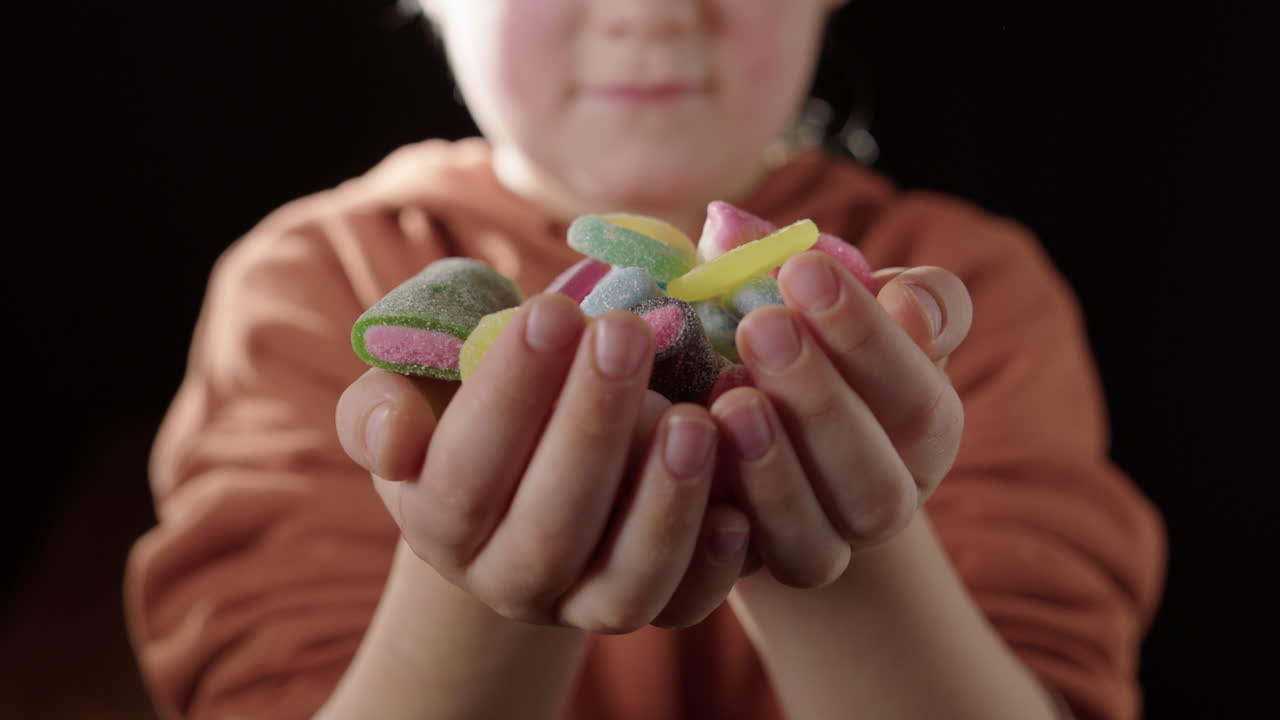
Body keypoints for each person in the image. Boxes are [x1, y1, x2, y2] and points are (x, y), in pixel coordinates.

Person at [125, 1, 1166, 718]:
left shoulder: (965, 288)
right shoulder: (311, 280)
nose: (652, 10)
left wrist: (843, 519)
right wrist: (475, 560)